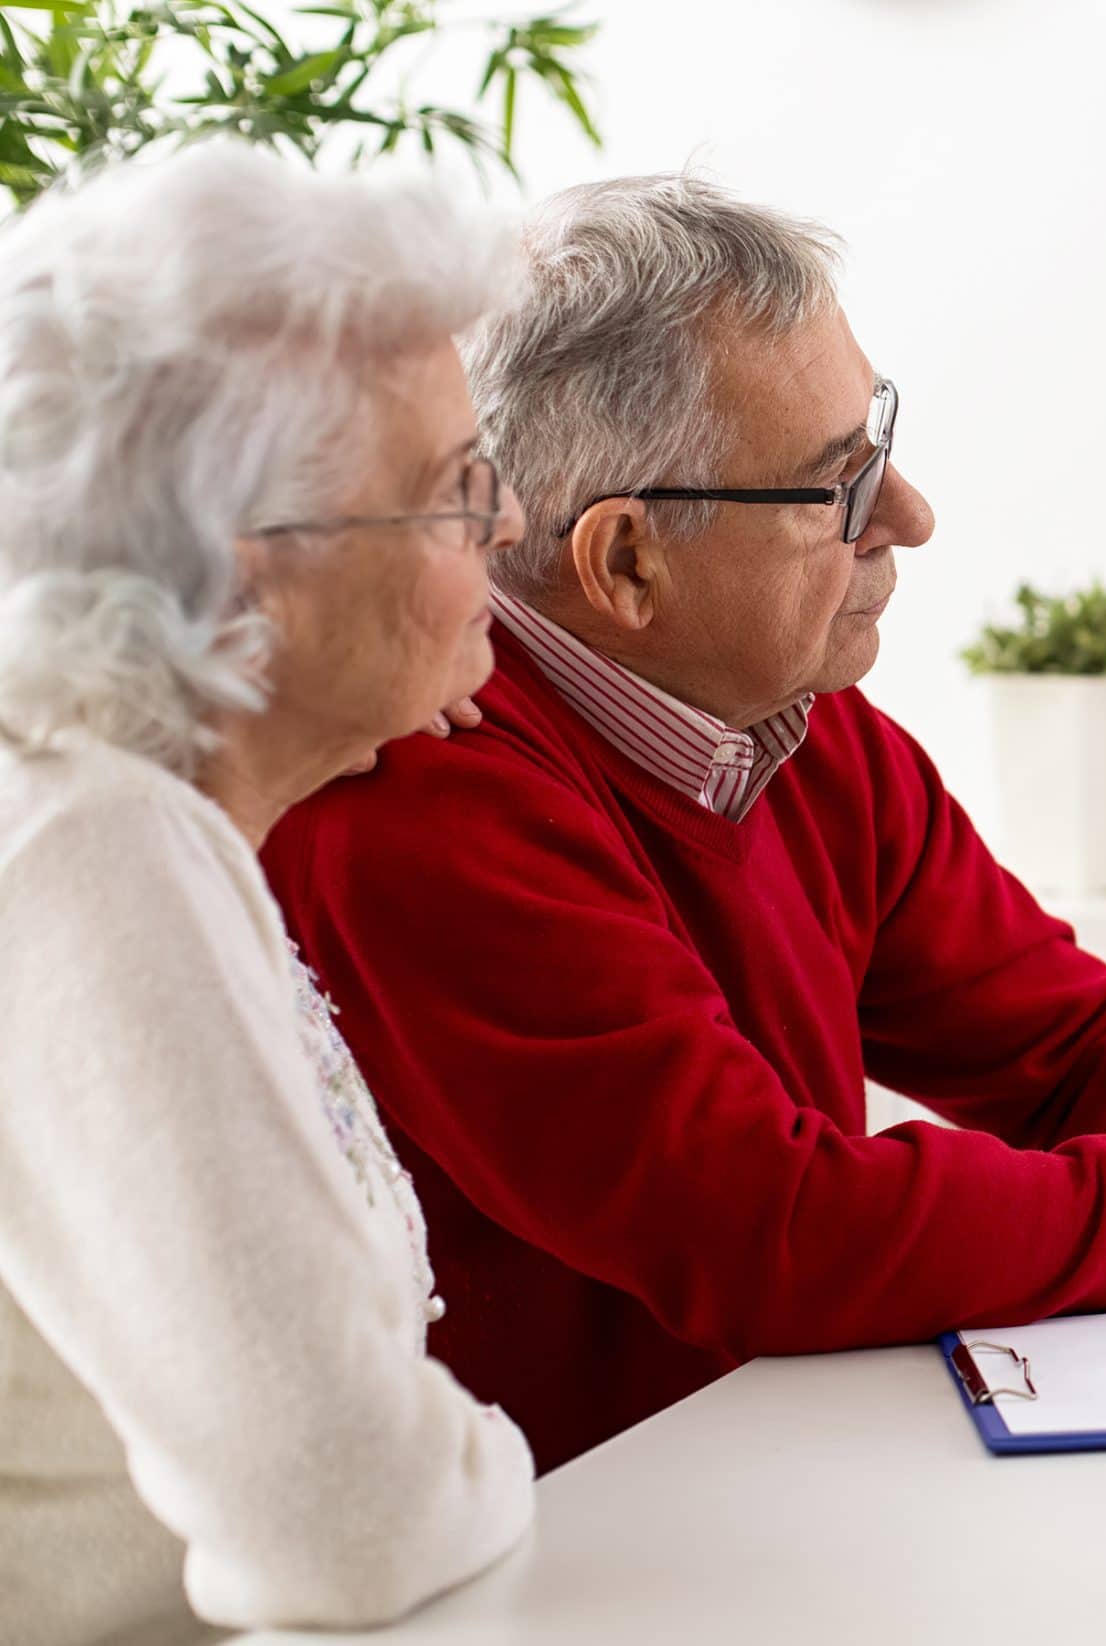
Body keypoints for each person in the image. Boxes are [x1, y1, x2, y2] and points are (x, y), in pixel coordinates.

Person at [263, 173, 1106, 1472]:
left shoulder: (796, 726)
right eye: (839, 487)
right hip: (567, 1564)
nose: (909, 515)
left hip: (777, 1481)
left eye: (879, 441)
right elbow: (777, 1229)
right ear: (625, 563)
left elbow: (1068, 1041)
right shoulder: (420, 796)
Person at [0, 144, 536, 1642]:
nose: (503, 532)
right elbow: (353, 1513)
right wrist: (480, 1459)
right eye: (453, 492)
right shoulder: (88, 848)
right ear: (244, 579)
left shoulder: (121, 815)